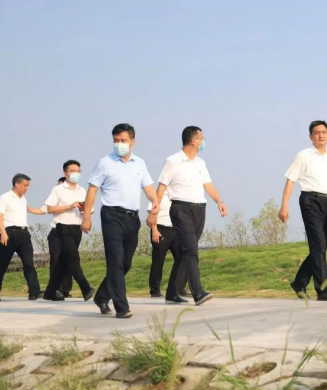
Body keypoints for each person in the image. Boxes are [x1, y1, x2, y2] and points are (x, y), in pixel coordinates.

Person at [81, 123, 158, 319]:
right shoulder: (104, 163)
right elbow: (92, 190)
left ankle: (101, 296)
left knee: (125, 263)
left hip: (132, 218)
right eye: (116, 140)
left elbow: (148, 188)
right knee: (115, 261)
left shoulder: (140, 163)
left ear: (132, 141)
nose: (119, 144)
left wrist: (155, 202)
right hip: (111, 216)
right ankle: (122, 307)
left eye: (123, 140)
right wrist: (86, 217)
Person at [278, 120, 327, 301]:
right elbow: (290, 181)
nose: (321, 135)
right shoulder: (303, 156)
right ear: (311, 137)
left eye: (323, 132)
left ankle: (299, 282)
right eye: (317, 133)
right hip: (310, 201)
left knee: (320, 246)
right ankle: (323, 290)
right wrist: (284, 206)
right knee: (319, 245)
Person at [150, 126, 226, 306]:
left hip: (199, 209)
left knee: (185, 252)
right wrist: (154, 213)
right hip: (180, 209)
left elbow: (208, 185)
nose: (203, 141)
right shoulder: (173, 161)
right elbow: (161, 188)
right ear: (194, 141)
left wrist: (219, 201)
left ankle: (171, 292)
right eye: (202, 138)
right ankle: (197, 292)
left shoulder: (200, 163)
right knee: (191, 250)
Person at [43, 160, 96, 302]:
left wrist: (87, 219)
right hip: (62, 227)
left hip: (76, 229)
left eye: (78, 171)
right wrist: (69, 206)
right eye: (73, 171)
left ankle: (50, 292)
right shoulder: (58, 189)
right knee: (73, 258)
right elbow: (50, 209)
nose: (76, 173)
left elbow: (88, 209)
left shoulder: (82, 190)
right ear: (65, 173)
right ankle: (86, 289)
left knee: (63, 262)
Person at [0, 174, 47, 301]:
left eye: (28, 186)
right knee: (2, 264)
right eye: (25, 185)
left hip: (24, 234)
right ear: (17, 184)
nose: (27, 188)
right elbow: (0, 216)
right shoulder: (5, 197)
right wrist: (3, 233)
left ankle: (34, 291)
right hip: (9, 233)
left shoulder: (23, 199)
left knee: (28, 263)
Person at [147, 190, 188, 299]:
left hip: (177, 230)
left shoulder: (178, 195)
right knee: (158, 261)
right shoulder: (157, 195)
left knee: (182, 259)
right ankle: (155, 290)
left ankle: (180, 288)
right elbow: (151, 214)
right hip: (161, 229)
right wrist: (154, 231)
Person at [46, 177, 74, 298]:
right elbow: (46, 209)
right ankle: (54, 289)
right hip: (56, 232)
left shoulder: (75, 199)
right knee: (56, 260)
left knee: (69, 260)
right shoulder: (54, 199)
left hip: (70, 232)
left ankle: (65, 289)